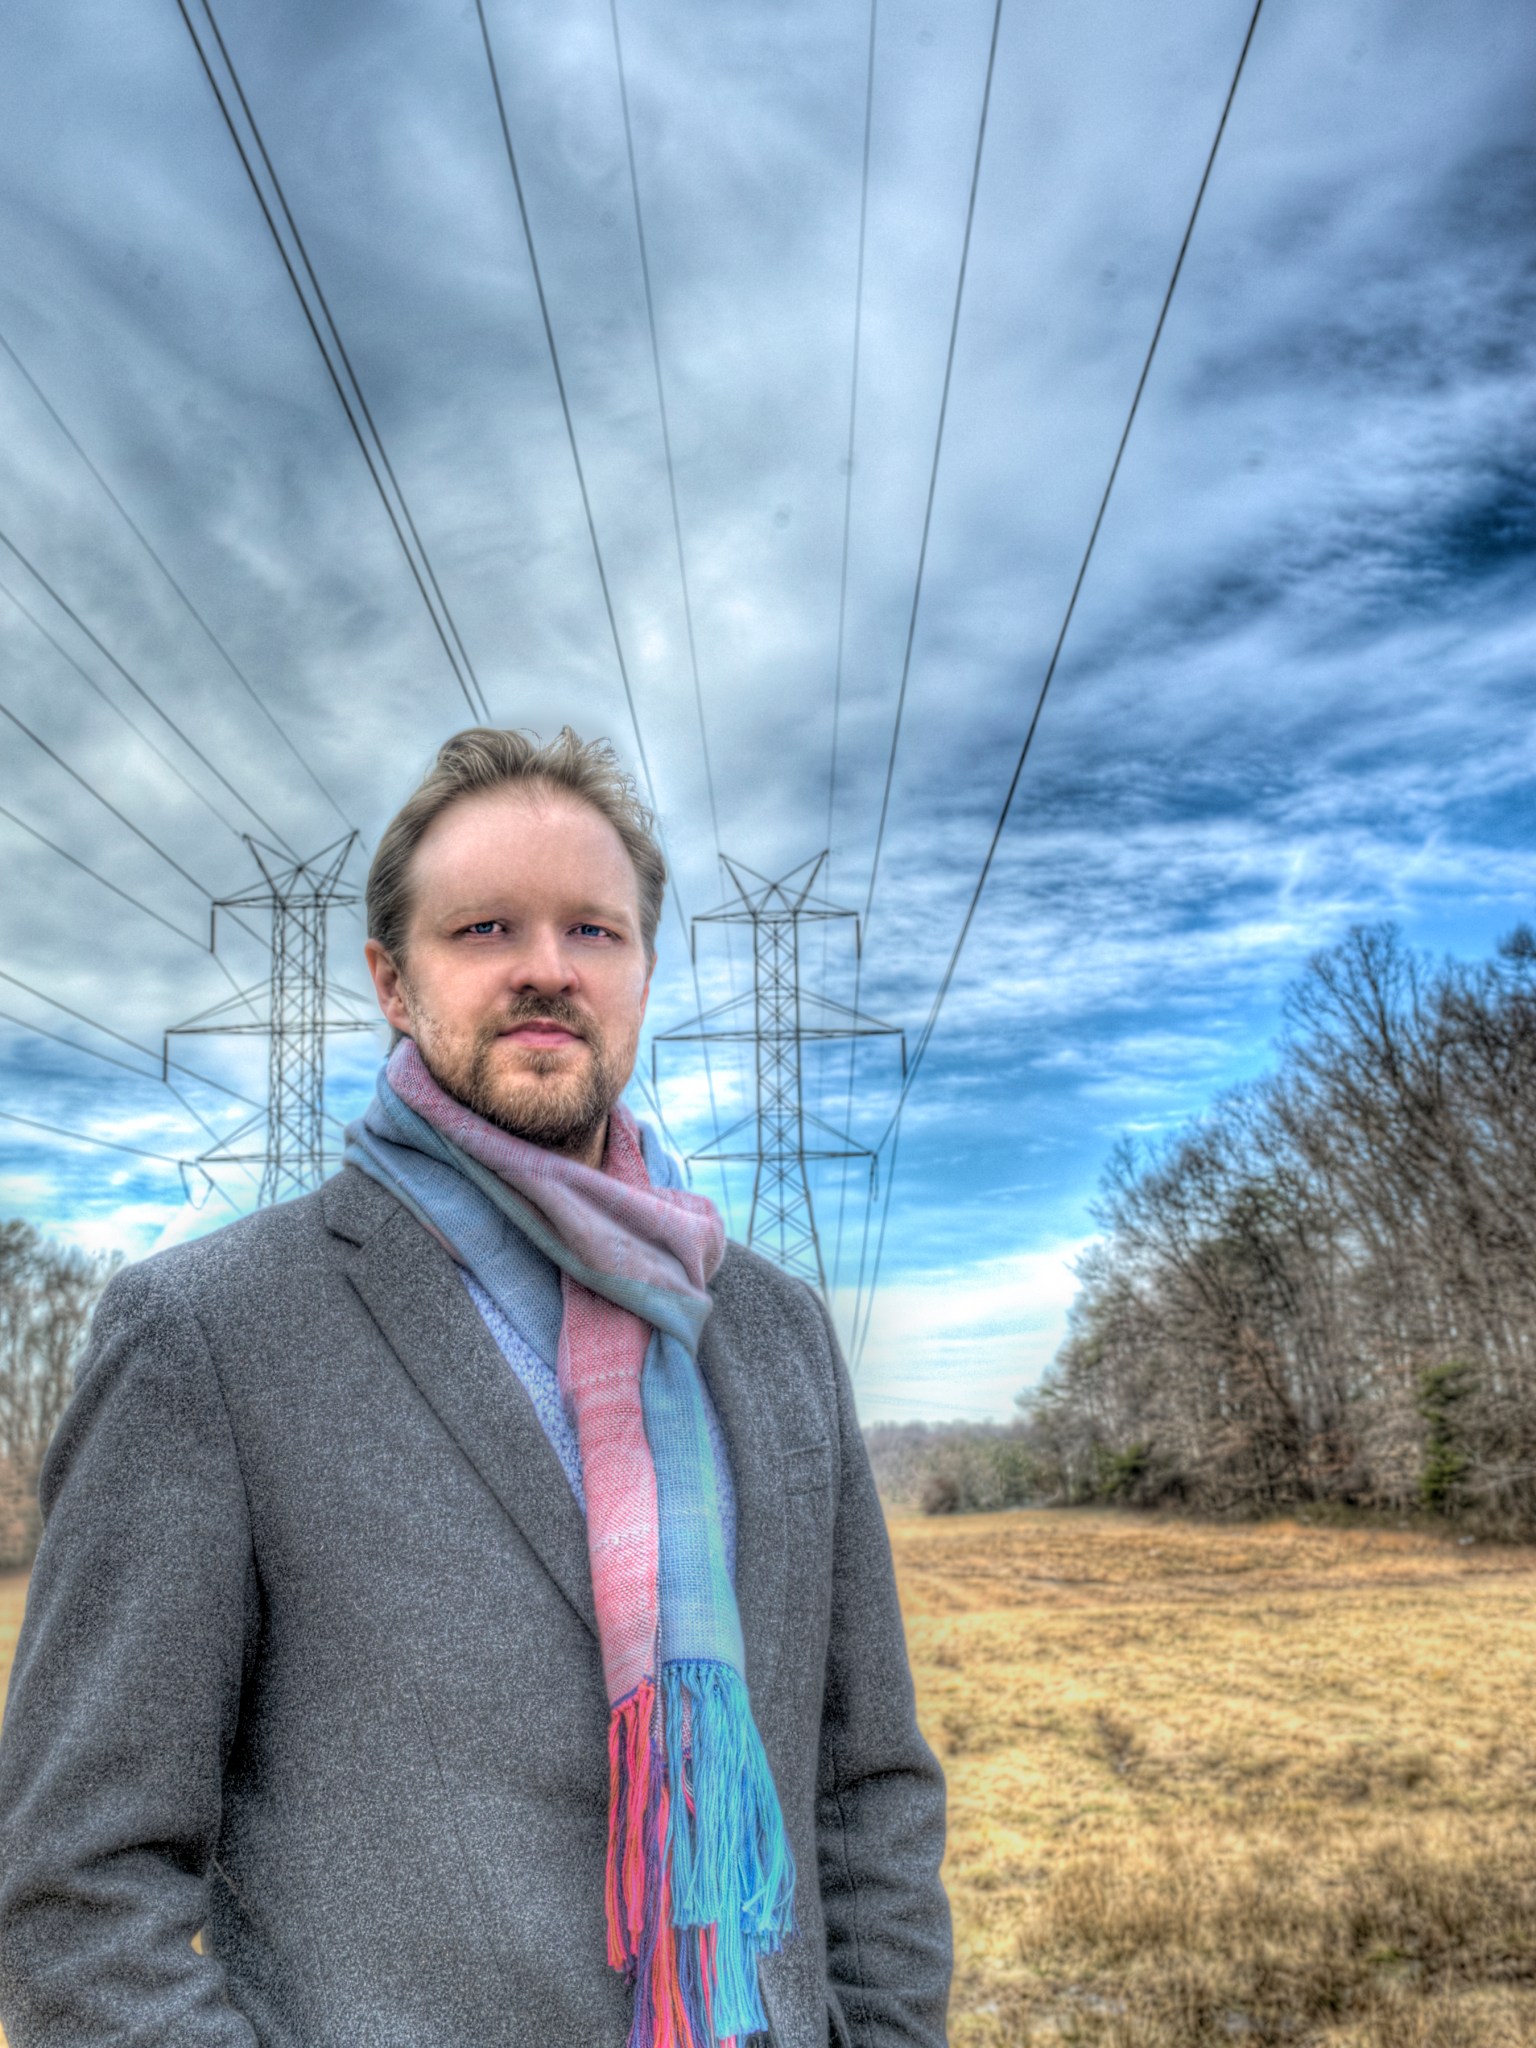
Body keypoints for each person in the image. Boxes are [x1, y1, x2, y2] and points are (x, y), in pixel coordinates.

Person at [0, 726, 951, 2048]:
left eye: (593, 932)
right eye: (487, 928)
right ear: (393, 981)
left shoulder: (773, 1328)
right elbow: (77, 1886)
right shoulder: (206, 1333)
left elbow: (868, 1788)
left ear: (646, 971)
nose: (546, 970)